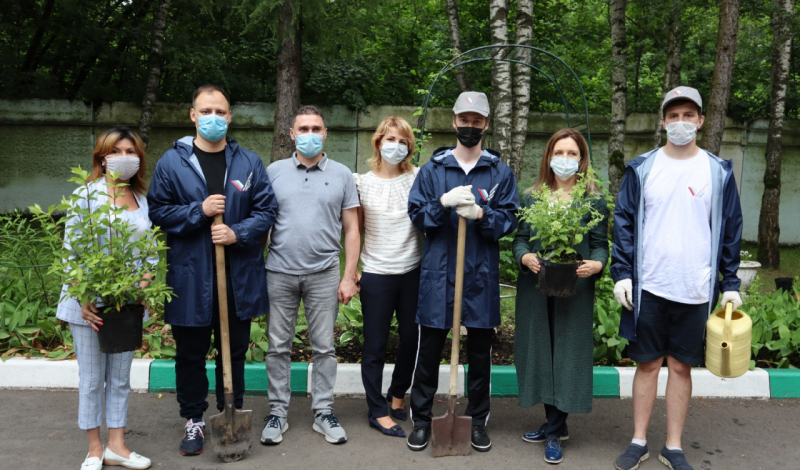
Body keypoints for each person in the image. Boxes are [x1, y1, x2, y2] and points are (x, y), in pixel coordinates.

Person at [611, 86, 743, 470]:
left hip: (696, 287)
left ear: (701, 121)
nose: (681, 122)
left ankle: (673, 446)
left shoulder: (717, 171)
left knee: (681, 367)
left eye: (689, 115)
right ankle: (638, 442)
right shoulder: (643, 168)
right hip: (649, 285)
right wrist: (622, 273)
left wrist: (730, 282)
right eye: (674, 116)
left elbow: (731, 228)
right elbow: (624, 223)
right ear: (663, 121)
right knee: (648, 364)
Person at [147, 85, 276, 457]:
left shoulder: (249, 163)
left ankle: (227, 412)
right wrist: (197, 212)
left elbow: (266, 211)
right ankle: (194, 419)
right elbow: (157, 212)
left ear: (230, 116)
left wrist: (238, 232)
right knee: (190, 353)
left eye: (220, 111)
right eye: (206, 111)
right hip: (191, 277)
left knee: (233, 352)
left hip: (236, 278)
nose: (214, 118)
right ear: (193, 115)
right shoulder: (173, 163)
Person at [406, 91, 520, 453]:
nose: (470, 126)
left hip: (480, 273)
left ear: (486, 124)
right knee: (429, 351)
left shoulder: (499, 172)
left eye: (477, 121)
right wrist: (442, 203)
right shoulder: (434, 169)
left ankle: (476, 419)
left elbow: (509, 220)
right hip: (440, 273)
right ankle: (423, 420)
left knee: (481, 353)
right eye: (464, 120)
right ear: (454, 121)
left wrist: (484, 215)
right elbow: (417, 215)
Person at [261, 105, 360, 446]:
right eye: (302, 129)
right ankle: (277, 413)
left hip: (323, 273)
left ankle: (323, 412)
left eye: (316, 128)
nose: (309, 135)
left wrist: (348, 276)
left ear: (325, 133)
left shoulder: (344, 174)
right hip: (279, 272)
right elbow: (262, 224)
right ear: (291, 134)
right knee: (277, 346)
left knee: (325, 347)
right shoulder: (273, 172)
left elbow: (352, 229)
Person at [57, 127, 154, 470]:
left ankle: (117, 445)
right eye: (117, 151)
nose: (125, 157)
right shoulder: (86, 195)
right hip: (88, 306)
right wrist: (82, 296)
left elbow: (151, 253)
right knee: (93, 378)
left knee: (120, 377)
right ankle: (94, 448)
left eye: (132, 151)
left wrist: (142, 286)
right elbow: (72, 251)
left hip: (126, 305)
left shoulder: (141, 198)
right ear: (102, 157)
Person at [512, 128, 609, 465]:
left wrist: (597, 264)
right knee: (541, 349)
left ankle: (554, 430)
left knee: (567, 352)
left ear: (582, 160)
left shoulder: (593, 200)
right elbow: (520, 239)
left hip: (575, 287)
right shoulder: (532, 197)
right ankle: (554, 423)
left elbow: (599, 244)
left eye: (572, 154)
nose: (565, 160)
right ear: (548, 156)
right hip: (537, 286)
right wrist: (524, 257)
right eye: (560, 152)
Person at [354, 116, 423, 438]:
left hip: (412, 270)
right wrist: (350, 271)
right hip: (376, 274)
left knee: (411, 341)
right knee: (375, 345)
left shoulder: (419, 179)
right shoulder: (361, 183)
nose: (395, 145)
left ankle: (398, 395)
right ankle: (376, 410)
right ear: (378, 142)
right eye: (389, 139)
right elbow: (355, 229)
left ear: (409, 146)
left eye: (402, 141)